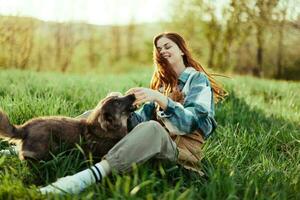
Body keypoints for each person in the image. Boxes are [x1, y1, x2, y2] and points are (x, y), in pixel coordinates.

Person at [39, 32, 226, 194]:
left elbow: (192, 122)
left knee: (152, 128)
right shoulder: (162, 87)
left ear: (182, 50)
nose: (162, 51)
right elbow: (137, 121)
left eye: (167, 46)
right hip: (147, 149)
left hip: (180, 153)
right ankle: (39, 142)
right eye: (159, 49)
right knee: (94, 114)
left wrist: (161, 99)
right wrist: (119, 104)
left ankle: (83, 179)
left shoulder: (197, 80)